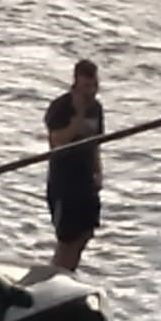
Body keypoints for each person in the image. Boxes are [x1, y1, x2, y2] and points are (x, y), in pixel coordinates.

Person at [43, 58, 105, 272]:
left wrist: (98, 172)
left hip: (86, 180)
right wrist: (77, 118)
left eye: (94, 85)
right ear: (76, 83)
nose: (92, 91)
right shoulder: (60, 107)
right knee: (67, 240)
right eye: (87, 86)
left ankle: (68, 272)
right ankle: (56, 276)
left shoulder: (96, 109)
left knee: (86, 232)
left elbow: (96, 143)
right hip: (64, 183)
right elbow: (57, 141)